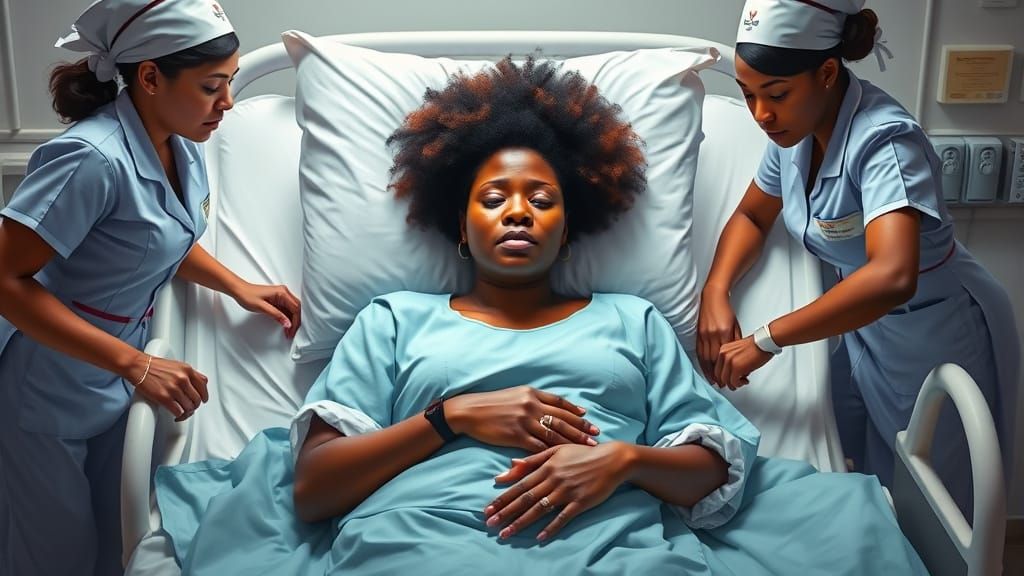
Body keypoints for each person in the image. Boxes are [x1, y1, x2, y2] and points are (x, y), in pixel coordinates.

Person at [154, 56, 925, 576]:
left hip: (613, 547)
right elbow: (315, 489)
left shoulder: (632, 322)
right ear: (459, 228)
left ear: (572, 225)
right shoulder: (393, 320)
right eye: (493, 198)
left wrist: (623, 462)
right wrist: (452, 418)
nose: (518, 211)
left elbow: (713, 472)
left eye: (542, 200)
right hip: (418, 543)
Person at [0, 1, 300, 574]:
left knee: (115, 546)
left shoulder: (180, 142)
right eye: (211, 86)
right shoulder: (89, 159)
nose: (227, 102)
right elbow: (5, 280)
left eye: (231, 82)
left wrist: (238, 287)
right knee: (56, 555)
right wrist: (137, 364)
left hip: (109, 377)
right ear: (150, 77)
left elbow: (159, 235)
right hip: (46, 384)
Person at [698, 0, 1019, 517]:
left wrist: (765, 340)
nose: (761, 114)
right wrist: (716, 290)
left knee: (935, 503)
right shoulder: (793, 134)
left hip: (931, 334)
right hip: (858, 330)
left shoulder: (884, 141)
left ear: (827, 73)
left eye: (776, 94)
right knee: (863, 483)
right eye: (748, 94)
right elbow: (753, 216)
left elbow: (892, 275)